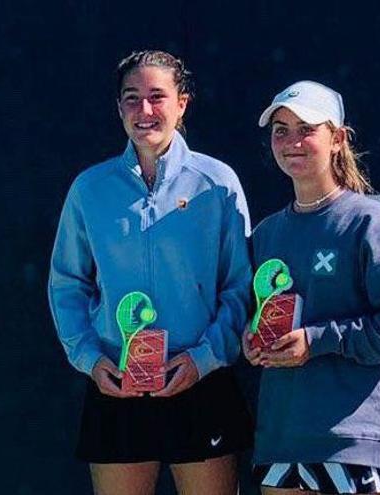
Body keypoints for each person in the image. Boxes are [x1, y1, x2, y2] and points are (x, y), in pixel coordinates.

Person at [48, 50, 253, 495]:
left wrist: (202, 361)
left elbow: (239, 288)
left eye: (157, 97)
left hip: (201, 382)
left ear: (182, 103)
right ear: (118, 107)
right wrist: (91, 360)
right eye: (132, 98)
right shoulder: (90, 188)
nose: (145, 111)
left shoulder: (217, 183)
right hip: (117, 384)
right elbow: (67, 285)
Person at [244, 81, 380, 495]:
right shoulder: (266, 234)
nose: (292, 141)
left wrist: (316, 342)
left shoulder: (371, 223)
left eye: (306, 128)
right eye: (281, 130)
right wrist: (253, 339)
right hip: (281, 443)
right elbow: (258, 313)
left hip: (355, 444)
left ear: (337, 139)